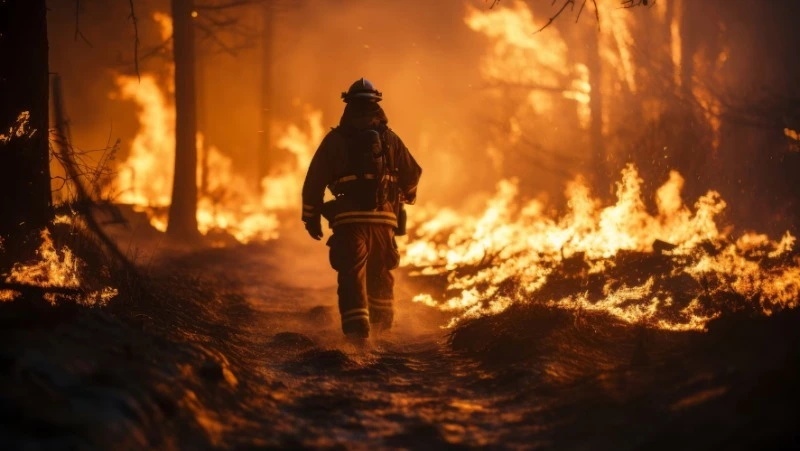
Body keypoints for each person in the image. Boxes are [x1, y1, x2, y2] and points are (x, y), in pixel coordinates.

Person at [301, 78, 422, 341]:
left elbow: (314, 181)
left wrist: (311, 217)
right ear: (377, 105)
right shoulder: (391, 139)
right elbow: (412, 174)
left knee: (351, 276)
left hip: (348, 222)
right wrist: (403, 198)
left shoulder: (334, 140)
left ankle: (357, 339)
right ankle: (383, 331)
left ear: (348, 105)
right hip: (384, 221)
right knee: (380, 273)